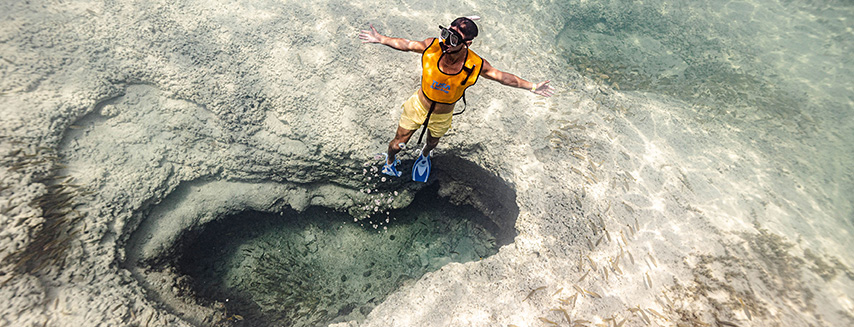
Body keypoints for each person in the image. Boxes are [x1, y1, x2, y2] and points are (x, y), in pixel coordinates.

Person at [359, 17, 554, 181]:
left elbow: (502, 77)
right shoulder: (433, 46)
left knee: (432, 142)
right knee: (396, 144)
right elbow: (407, 44)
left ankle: (425, 155)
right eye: (444, 34)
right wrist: (381, 39)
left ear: (467, 44)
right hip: (418, 105)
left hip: (443, 115)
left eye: (452, 39)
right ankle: (390, 162)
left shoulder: (475, 64)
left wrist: (533, 87)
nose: (445, 42)